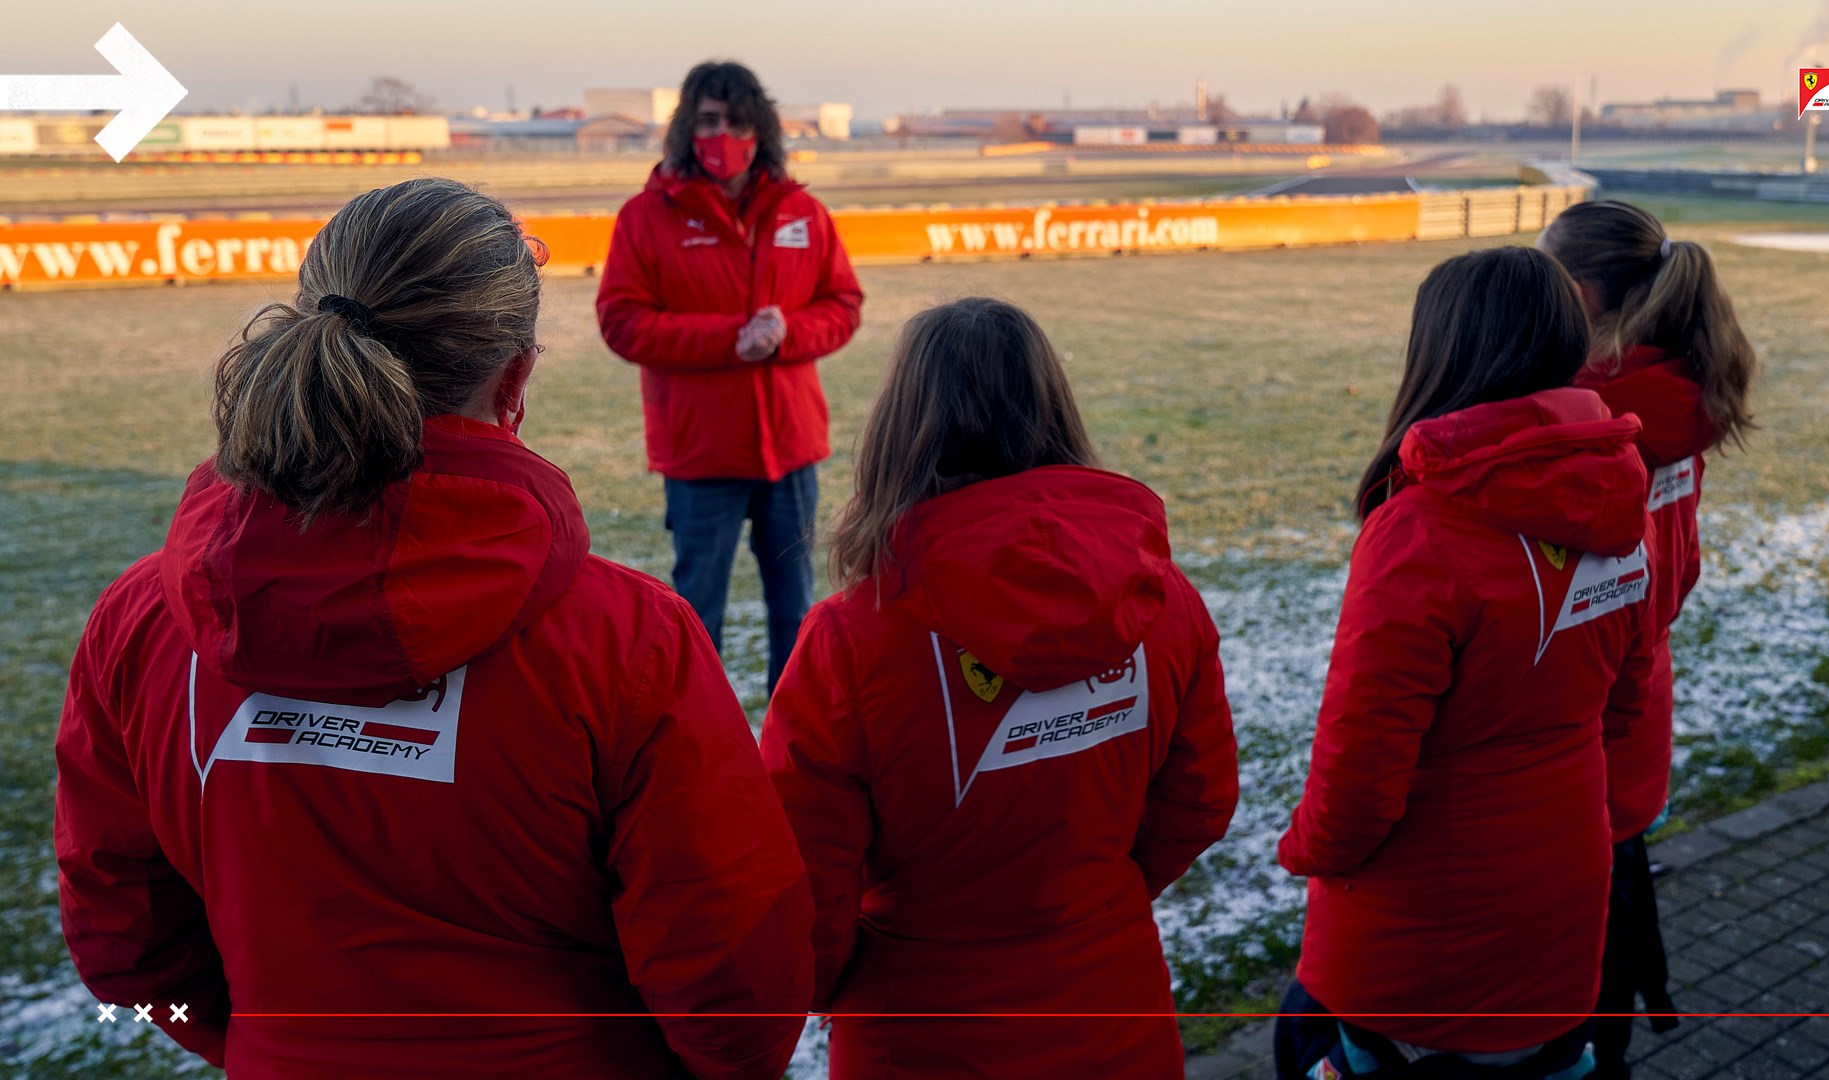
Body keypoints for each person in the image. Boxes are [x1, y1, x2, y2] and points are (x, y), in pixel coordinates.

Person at [54, 178, 815, 1079]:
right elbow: (734, 975)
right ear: (518, 373)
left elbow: (124, 941)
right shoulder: (627, 643)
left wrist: (273, 1042)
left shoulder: (141, 623)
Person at [759, 297, 1238, 1079]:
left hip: (922, 1030)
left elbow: (801, 886)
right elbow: (1203, 798)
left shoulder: (851, 642)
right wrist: (1093, 900)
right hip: (1116, 1016)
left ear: (898, 431)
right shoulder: (1162, 600)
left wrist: (832, 985)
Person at [1273, 247, 1659, 1080]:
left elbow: (1361, 772)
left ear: (1442, 351)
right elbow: (1628, 703)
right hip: (1562, 887)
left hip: (1421, 934)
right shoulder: (1622, 496)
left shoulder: (1421, 530)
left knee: (1297, 1039)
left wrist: (1304, 850)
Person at [1539, 200, 1758, 1077]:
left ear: (1583, 294)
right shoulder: (1673, 394)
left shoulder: (1590, 415)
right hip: (1639, 705)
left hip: (1576, 725)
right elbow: (1682, 567)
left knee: (1564, 957)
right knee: (1610, 929)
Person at [597, 60, 864, 693]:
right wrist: (730, 341)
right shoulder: (646, 216)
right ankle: (697, 747)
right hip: (700, 454)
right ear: (687, 127)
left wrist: (787, 336)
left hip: (790, 451)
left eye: (739, 122)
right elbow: (622, 322)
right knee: (696, 616)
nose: (725, 136)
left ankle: (794, 742)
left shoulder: (802, 211)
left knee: (796, 613)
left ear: (762, 129)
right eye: (711, 120)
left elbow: (843, 305)